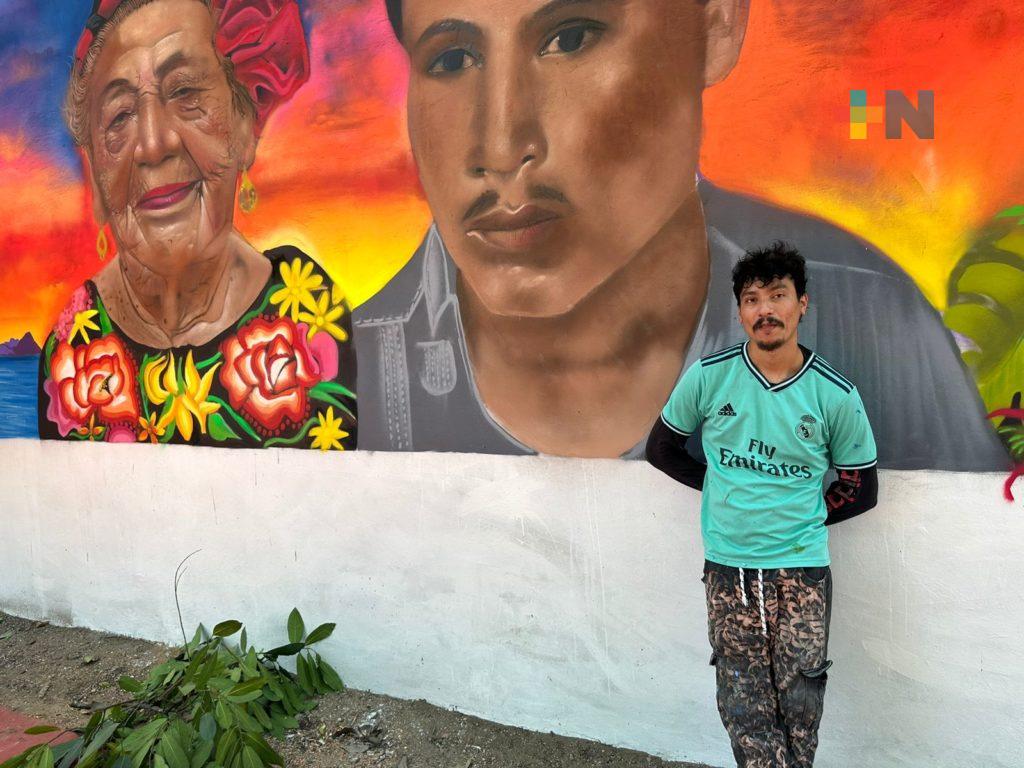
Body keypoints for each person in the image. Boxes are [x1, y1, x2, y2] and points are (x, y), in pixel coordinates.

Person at [352, 0, 1006, 470]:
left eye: (570, 37)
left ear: (715, 23)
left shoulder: (869, 325)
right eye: (452, 58)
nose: (500, 147)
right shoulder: (344, 375)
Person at [37, 0, 356, 451]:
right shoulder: (74, 346)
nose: (153, 144)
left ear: (245, 126)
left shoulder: (307, 314)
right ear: (95, 175)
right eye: (120, 115)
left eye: (185, 92)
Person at [646, 243, 877, 768]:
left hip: (801, 571)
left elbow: (861, 487)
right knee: (743, 703)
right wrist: (722, 488)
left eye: (778, 296)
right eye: (752, 299)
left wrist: (803, 517)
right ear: (740, 311)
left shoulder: (834, 394)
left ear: (802, 304)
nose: (765, 310)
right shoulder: (709, 377)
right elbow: (661, 449)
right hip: (729, 570)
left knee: (801, 702)